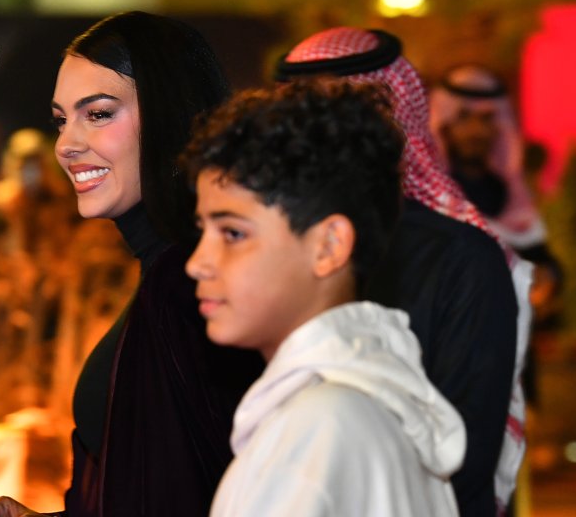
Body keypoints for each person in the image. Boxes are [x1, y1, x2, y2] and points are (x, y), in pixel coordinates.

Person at [0, 11, 263, 517]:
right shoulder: (174, 273)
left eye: (100, 113)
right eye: (61, 119)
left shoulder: (188, 285)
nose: (66, 144)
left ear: (169, 115)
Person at [274, 27, 532, 516]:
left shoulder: (461, 257)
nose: (327, 134)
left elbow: (463, 454)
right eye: (307, 113)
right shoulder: (277, 247)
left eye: (353, 112)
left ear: (397, 122)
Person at [183, 81, 465, 516]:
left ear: (329, 245)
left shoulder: (316, 429)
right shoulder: (379, 401)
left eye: (233, 233)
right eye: (202, 230)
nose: (198, 263)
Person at [429, 64, 563, 331]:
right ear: (444, 124)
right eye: (464, 118)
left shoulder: (511, 194)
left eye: (487, 119)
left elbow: (540, 257)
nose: (476, 131)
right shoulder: (428, 194)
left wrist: (546, 277)